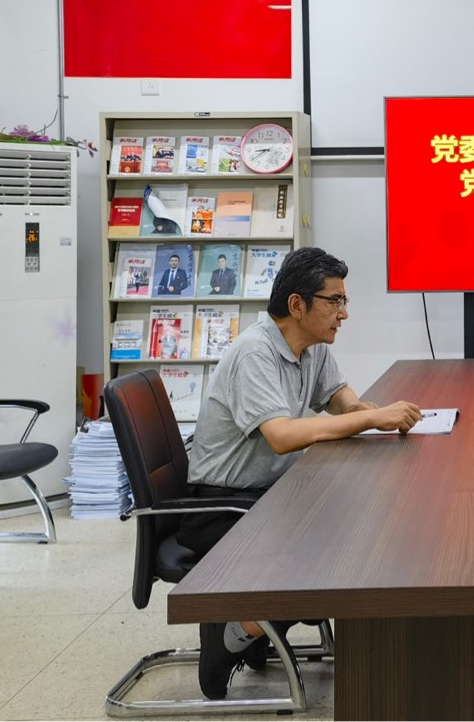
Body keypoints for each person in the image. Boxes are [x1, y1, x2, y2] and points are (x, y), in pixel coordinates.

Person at [178, 247, 423, 700]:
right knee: (338, 554)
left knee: (356, 525)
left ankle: (262, 627)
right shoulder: (255, 352)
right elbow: (282, 436)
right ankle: (233, 632)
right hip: (222, 507)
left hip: (269, 493)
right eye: (335, 301)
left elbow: (340, 399)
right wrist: (371, 419)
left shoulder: (311, 347)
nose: (344, 313)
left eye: (344, 301)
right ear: (297, 305)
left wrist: (362, 410)